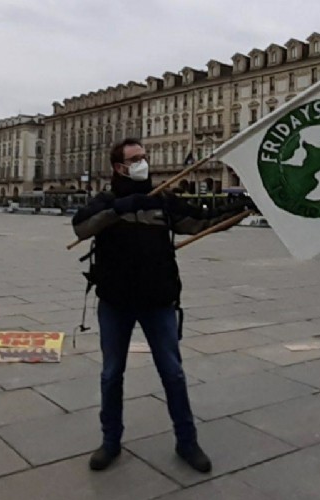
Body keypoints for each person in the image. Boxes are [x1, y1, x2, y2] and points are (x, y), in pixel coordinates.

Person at [72, 138, 248, 473]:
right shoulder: (107, 200)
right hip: (115, 302)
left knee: (173, 373)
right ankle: (110, 441)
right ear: (119, 167)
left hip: (158, 300)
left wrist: (239, 210)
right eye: (135, 159)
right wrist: (121, 207)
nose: (143, 162)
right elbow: (81, 226)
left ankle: (187, 441)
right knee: (111, 374)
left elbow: (199, 221)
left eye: (144, 157)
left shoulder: (164, 200)